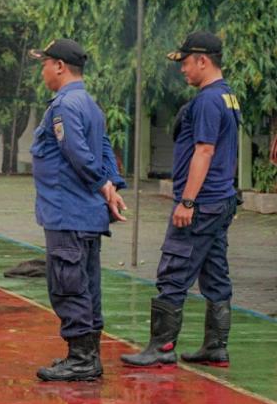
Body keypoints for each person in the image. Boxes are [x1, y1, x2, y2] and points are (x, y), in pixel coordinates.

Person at [122, 31, 241, 369]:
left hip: (202, 203)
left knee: (174, 269)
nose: (183, 70)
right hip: (220, 201)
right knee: (215, 272)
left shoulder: (206, 100)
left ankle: (161, 348)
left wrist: (187, 202)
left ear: (203, 60)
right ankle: (216, 346)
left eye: (186, 62)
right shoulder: (228, 97)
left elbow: (205, 150)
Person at [28, 38, 128, 382]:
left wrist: (104, 186)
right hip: (83, 213)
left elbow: (79, 154)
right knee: (85, 283)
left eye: (45, 64)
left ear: (59, 66)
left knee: (68, 284)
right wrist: (111, 185)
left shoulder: (64, 106)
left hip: (67, 211)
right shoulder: (88, 104)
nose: (42, 70)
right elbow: (103, 147)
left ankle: (83, 359)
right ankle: (86, 355)